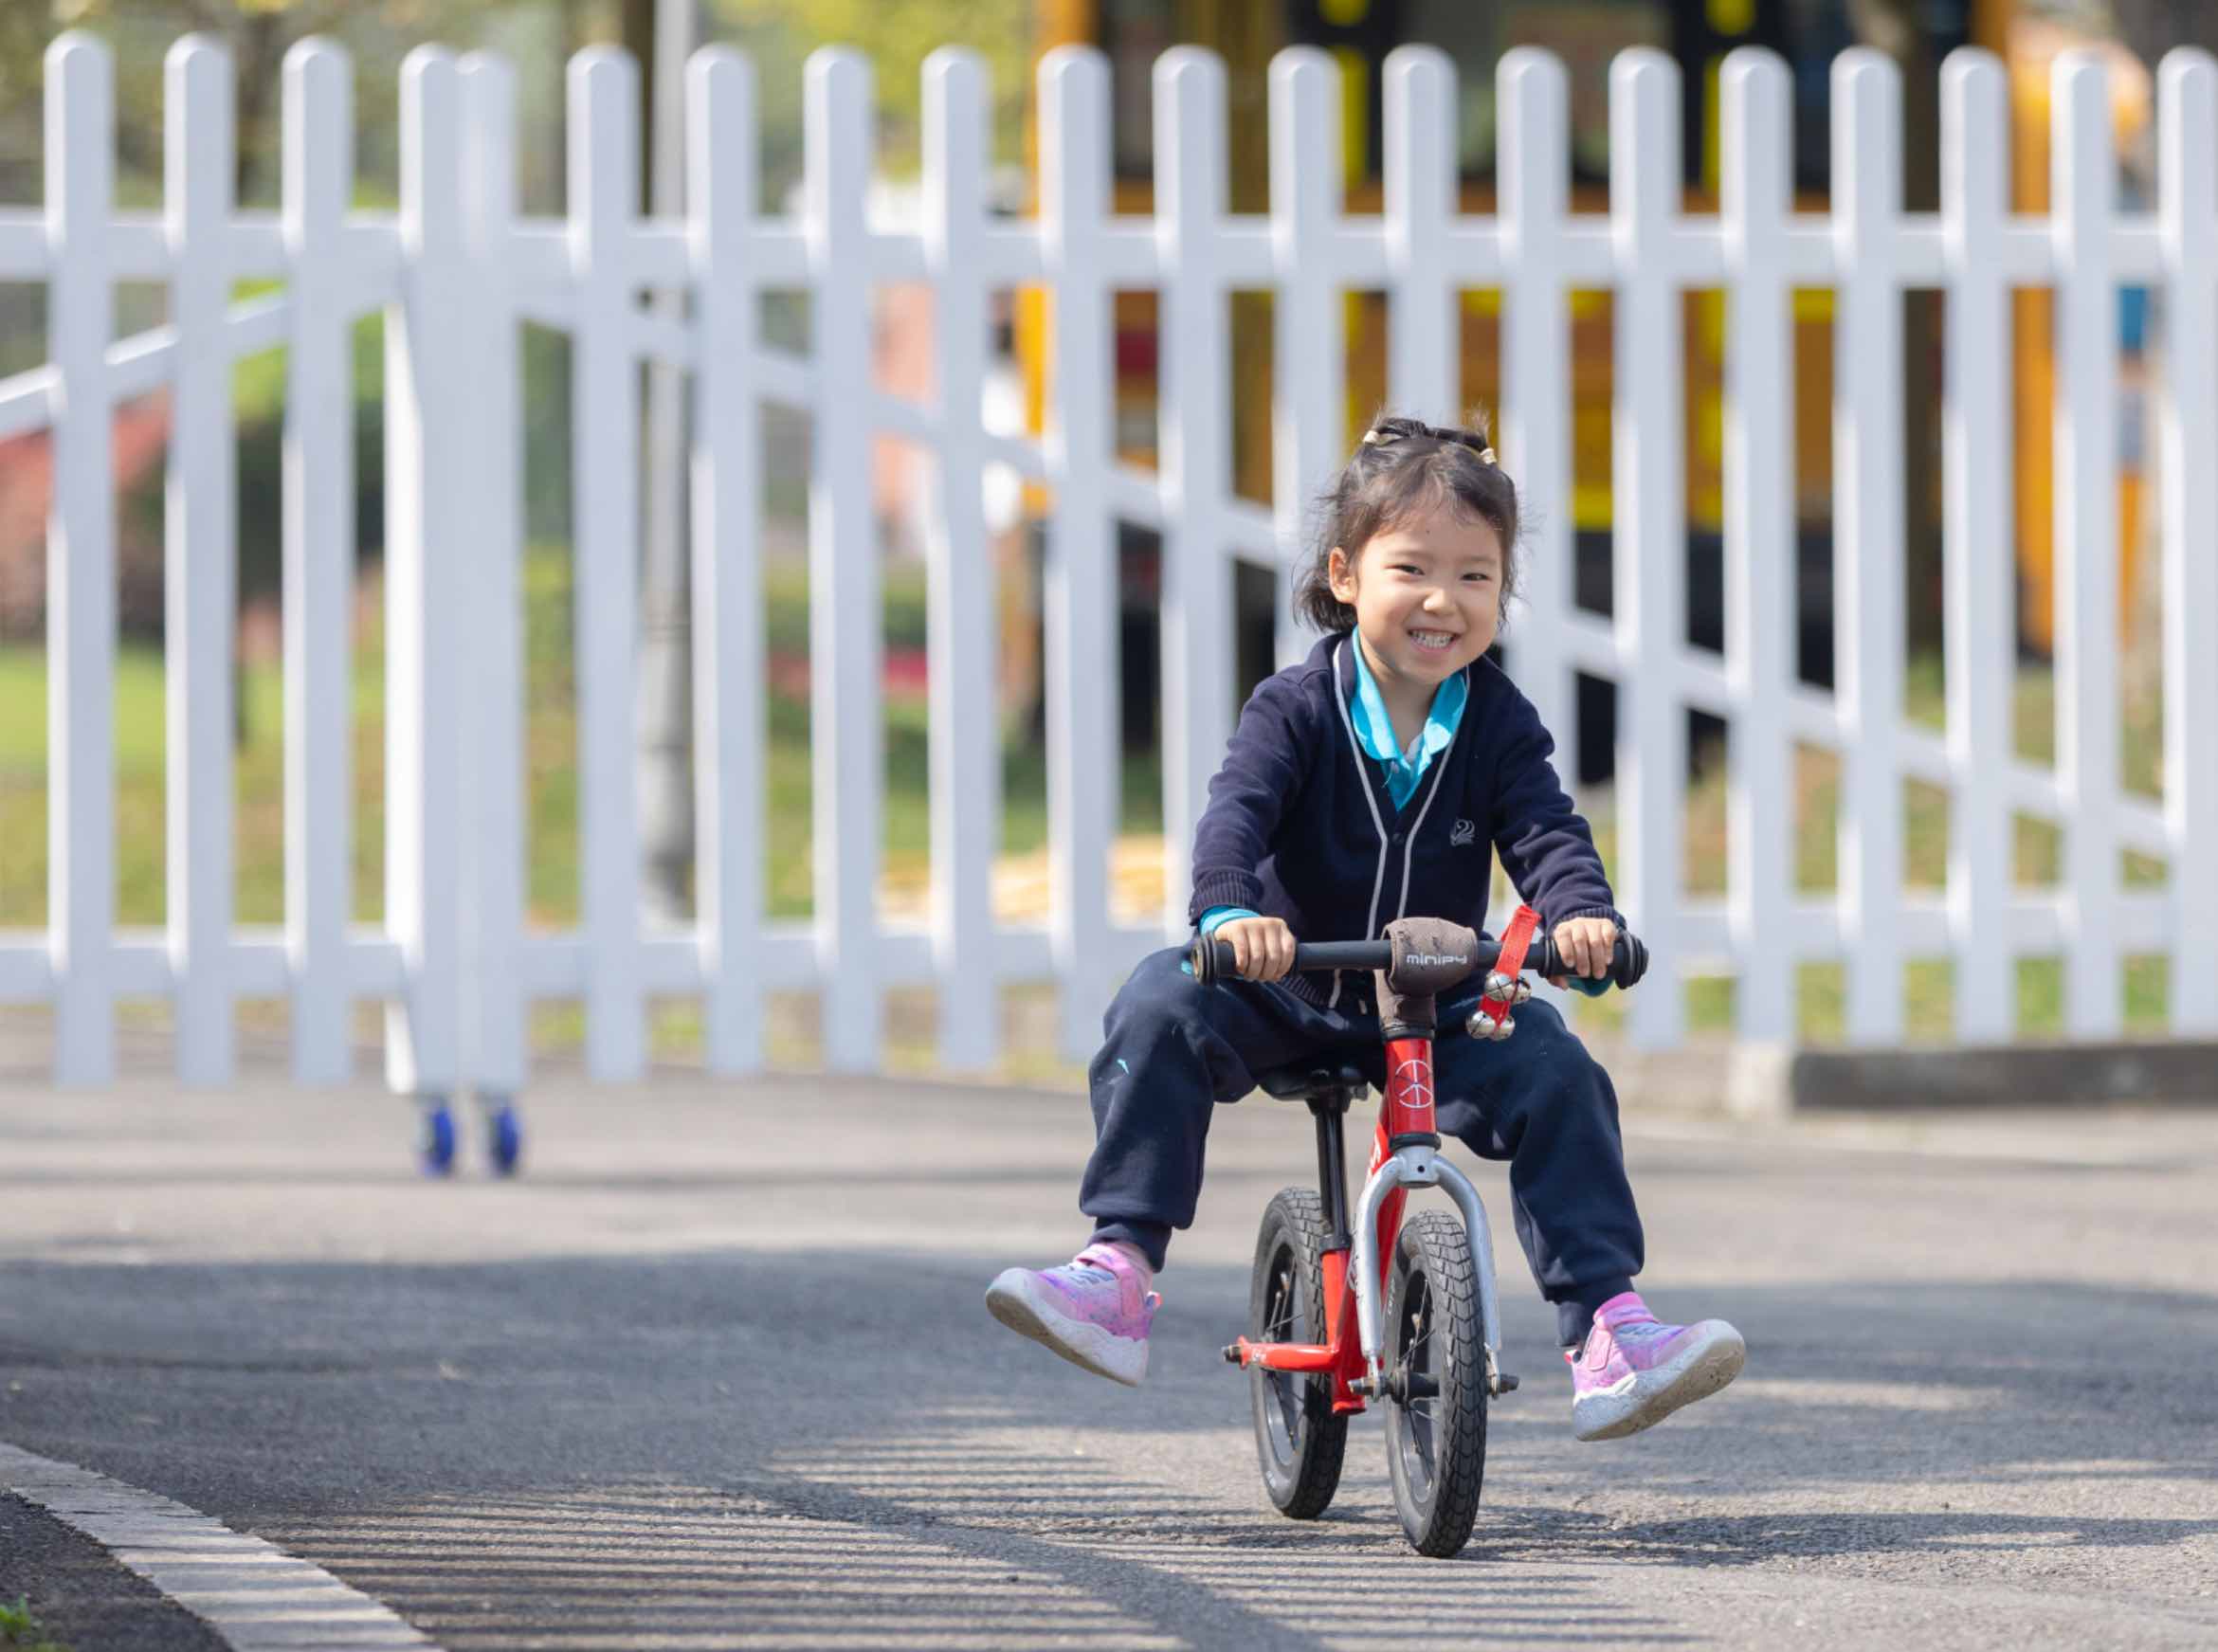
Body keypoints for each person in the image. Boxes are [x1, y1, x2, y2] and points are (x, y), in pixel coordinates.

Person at [986, 415, 1744, 1442]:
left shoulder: (1498, 720)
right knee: (1160, 1001)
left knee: (1558, 1069)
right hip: (1289, 986)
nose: (1444, 600)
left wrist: (1582, 919)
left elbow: (1547, 831)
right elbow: (1236, 813)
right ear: (1344, 575)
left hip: (1433, 1001)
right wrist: (1231, 912)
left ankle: (1609, 1329)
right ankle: (1118, 1266)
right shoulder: (1295, 708)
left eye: (1477, 577)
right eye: (1412, 568)